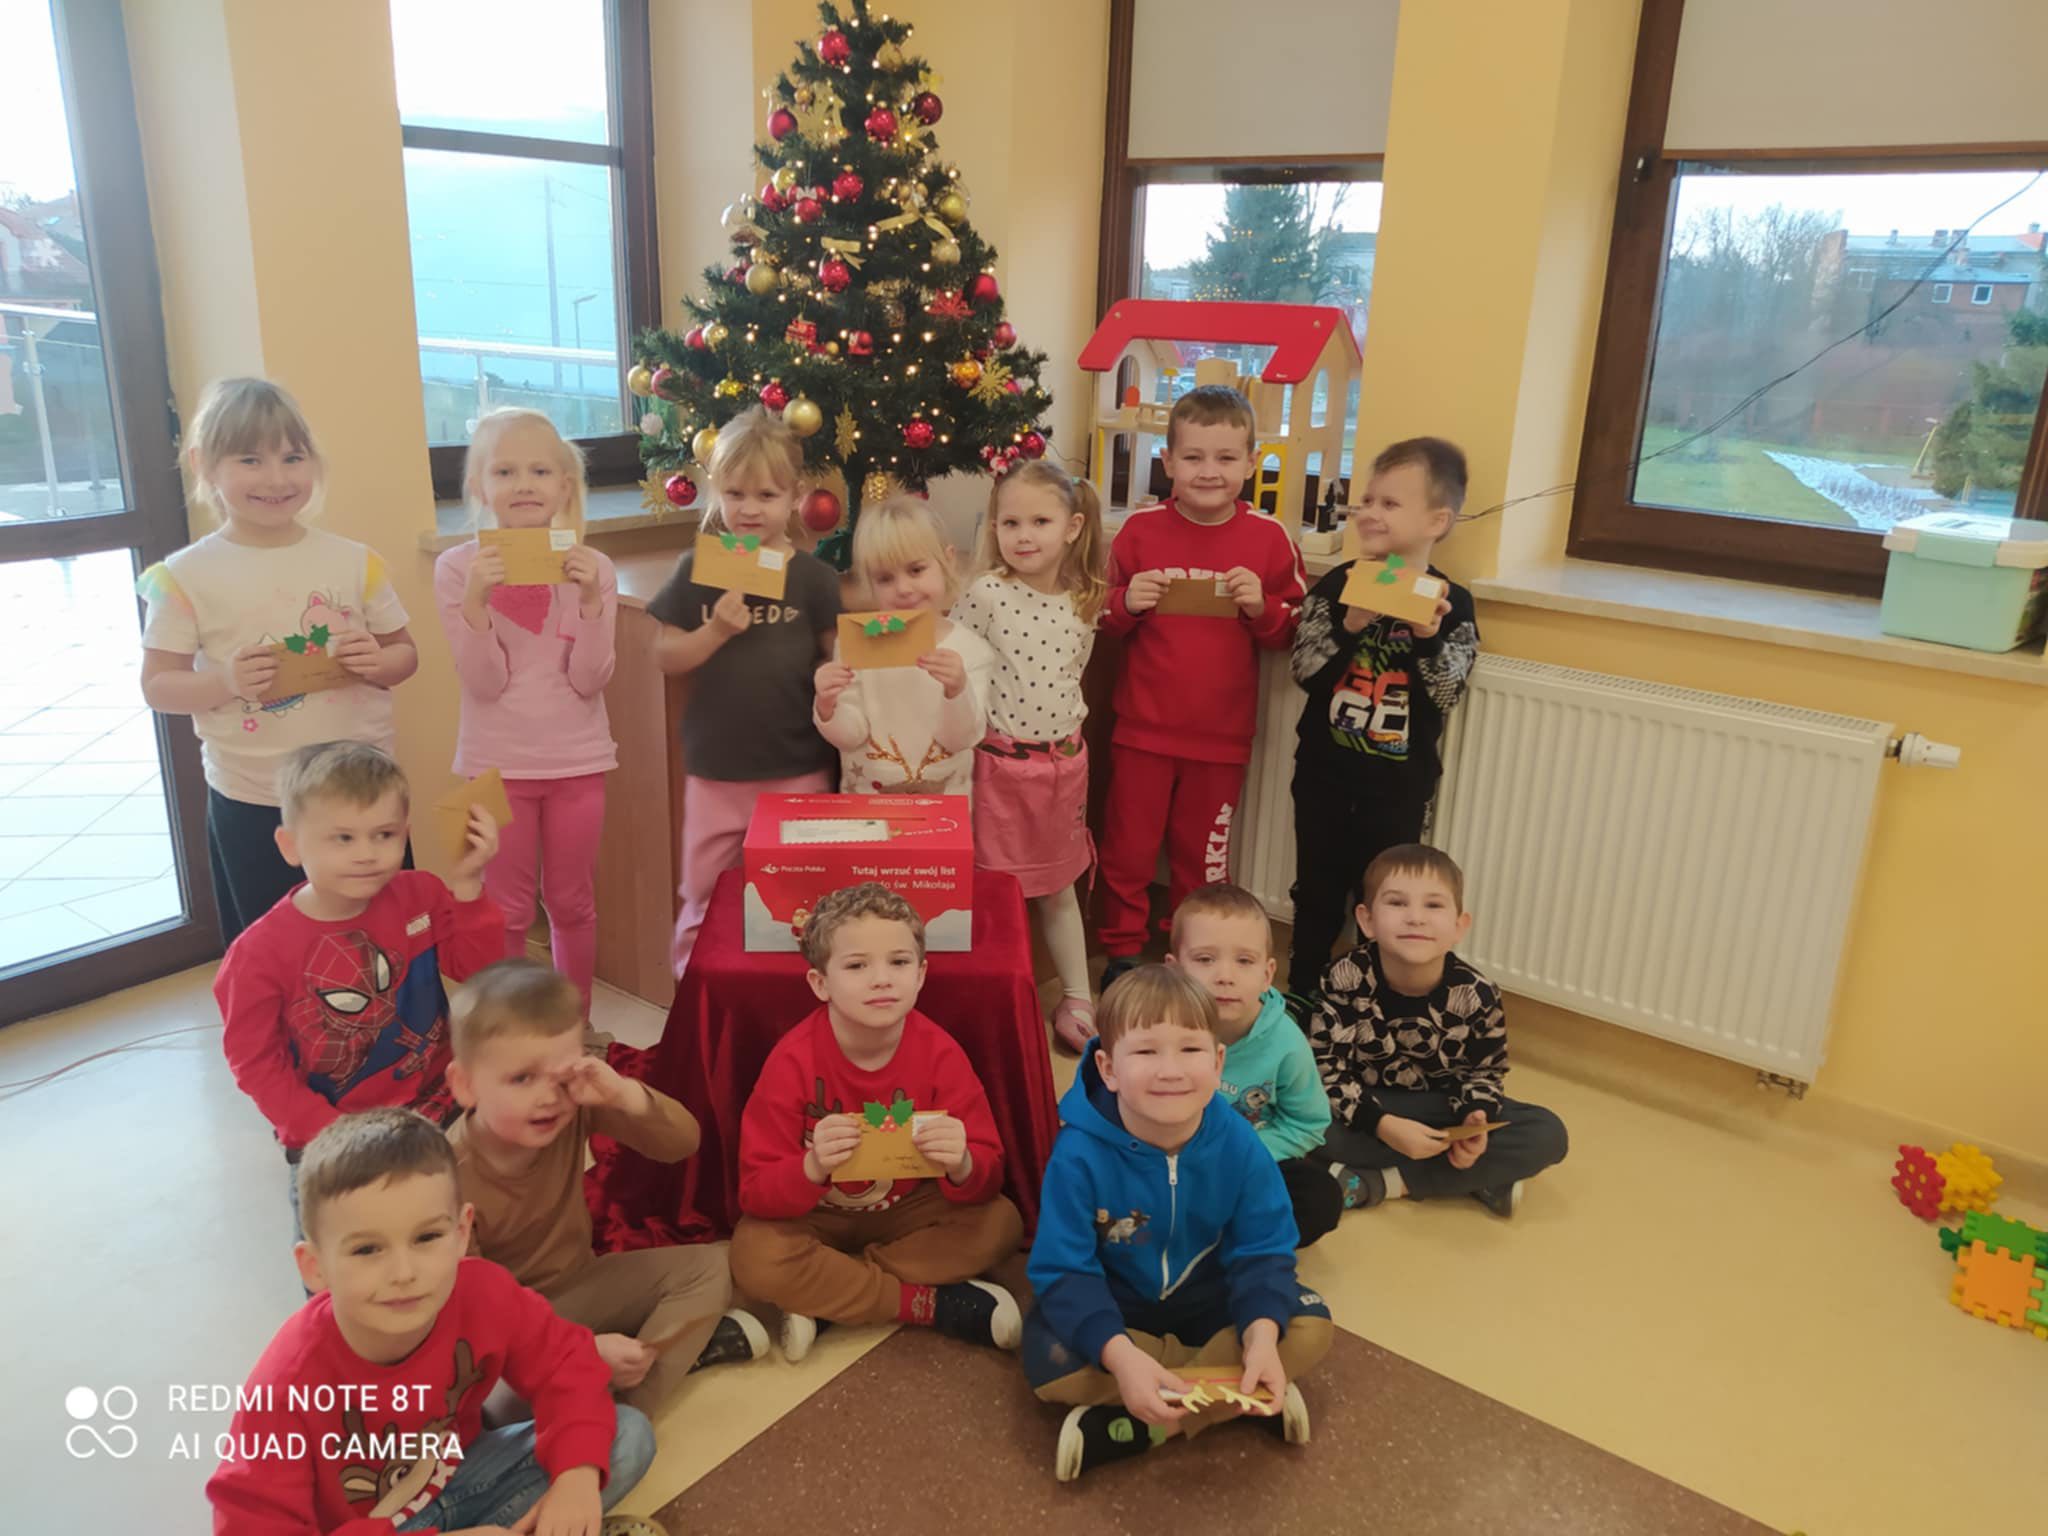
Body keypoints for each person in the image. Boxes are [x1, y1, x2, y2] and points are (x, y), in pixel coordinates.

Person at [205, 1107, 654, 1533]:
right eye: (367, 1249)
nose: (404, 1273)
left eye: (426, 1237)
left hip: (466, 1471)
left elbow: (565, 1363)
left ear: (461, 1233)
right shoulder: (285, 1388)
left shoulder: (483, 1290)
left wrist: (576, 1476)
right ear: (314, 1267)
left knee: (626, 1437)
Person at [1022, 964, 1332, 1482]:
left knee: (1309, 1324)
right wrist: (1121, 1358)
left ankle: (1146, 1425)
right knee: (1049, 1363)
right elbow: (1063, 1270)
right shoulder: (1076, 1155)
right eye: (1146, 1052)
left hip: (1212, 1301)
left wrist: (1259, 1338)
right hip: (1119, 1309)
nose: (1171, 1071)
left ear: (1217, 1061)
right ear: (1107, 1068)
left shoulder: (1239, 1142)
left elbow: (1264, 1250)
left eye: (1190, 1049)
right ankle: (1235, 1396)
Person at [140, 378, 419, 943]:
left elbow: (405, 655)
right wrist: (225, 681)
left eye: (292, 458)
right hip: (256, 798)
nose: (276, 478)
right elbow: (158, 686)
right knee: (277, 952)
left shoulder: (355, 561)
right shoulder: (185, 576)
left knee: (387, 944)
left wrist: (378, 661)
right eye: (250, 460)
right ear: (204, 464)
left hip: (364, 795)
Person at [447, 958, 767, 1414]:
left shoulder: (572, 1108)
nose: (548, 1097)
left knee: (710, 1267)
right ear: (465, 1085)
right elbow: (474, 1317)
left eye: (563, 1076)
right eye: (521, 1078)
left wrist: (625, 1095)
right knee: (495, 1399)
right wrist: (579, 1350)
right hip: (506, 1328)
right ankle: (620, 1387)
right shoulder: (444, 1177)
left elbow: (683, 1143)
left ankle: (627, 1410)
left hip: (580, 1284)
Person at [728, 882, 1024, 1363]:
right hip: (818, 1216)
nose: (882, 980)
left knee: (1001, 1224)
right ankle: (925, 1304)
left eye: (899, 962)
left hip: (908, 1210)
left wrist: (964, 1164)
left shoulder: (941, 1053)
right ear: (820, 984)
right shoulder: (791, 1061)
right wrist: (810, 1167)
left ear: (921, 974)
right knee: (753, 1254)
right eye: (857, 966)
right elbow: (756, 1191)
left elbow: (988, 1175)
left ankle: (832, 1299)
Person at [211, 741, 501, 1222]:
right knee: (346, 1246)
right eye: (342, 838)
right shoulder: (257, 954)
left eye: (384, 834)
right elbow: (257, 1065)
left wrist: (469, 884)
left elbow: (481, 976)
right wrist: (331, 1132)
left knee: (450, 1224)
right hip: (332, 1133)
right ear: (290, 845)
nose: (367, 854)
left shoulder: (422, 894)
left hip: (441, 1104)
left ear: (405, 834)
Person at [1095, 385, 1306, 986]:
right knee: (1127, 852)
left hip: (1221, 741)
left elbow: (1293, 630)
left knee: (1203, 861)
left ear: (1251, 462)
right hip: (1141, 732)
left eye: (1225, 458)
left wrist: (1261, 608)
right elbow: (1098, 615)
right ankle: (1122, 954)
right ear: (1167, 462)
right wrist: (1124, 603)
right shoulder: (1138, 531)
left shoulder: (1269, 538)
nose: (1208, 471)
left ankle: (1199, 957)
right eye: (1192, 457)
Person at [434, 407, 617, 1014]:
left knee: (572, 902)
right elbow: (484, 683)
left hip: (577, 763)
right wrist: (476, 604)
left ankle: (575, 1021)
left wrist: (589, 601)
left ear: (564, 485)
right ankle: (510, 1026)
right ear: (478, 486)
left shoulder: (594, 568)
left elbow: (591, 678)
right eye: (505, 471)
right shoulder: (456, 569)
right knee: (506, 909)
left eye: (540, 471)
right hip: (496, 764)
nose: (524, 485)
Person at [646, 406, 841, 975]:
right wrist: (714, 632)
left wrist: (837, 673)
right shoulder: (698, 569)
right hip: (717, 771)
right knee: (702, 893)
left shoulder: (813, 579)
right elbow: (665, 656)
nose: (750, 508)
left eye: (766, 495)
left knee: (800, 898)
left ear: (795, 496)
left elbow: (837, 656)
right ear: (715, 492)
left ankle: (794, 995)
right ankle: (696, 994)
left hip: (798, 768)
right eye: (735, 494)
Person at [1288, 437, 1479, 997]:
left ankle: (1369, 1004)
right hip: (1324, 776)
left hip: (1398, 788)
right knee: (1317, 891)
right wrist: (1349, 626)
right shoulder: (1338, 584)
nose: (1369, 512)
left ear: (1436, 521)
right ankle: (1301, 996)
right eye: (1366, 500)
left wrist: (1427, 636)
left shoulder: (1454, 604)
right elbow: (1304, 670)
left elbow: (1445, 692)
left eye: (1390, 503)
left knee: (1389, 904)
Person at [1306, 844, 1569, 1218]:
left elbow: (1485, 1075)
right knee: (1299, 1115)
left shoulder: (1478, 994)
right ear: (1367, 920)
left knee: (1546, 1133)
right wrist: (1383, 1126)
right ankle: (1474, 1178)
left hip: (1441, 1110)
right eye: (1397, 903)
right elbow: (1327, 1072)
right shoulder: (1343, 977)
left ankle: (1382, 1183)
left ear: (1459, 925)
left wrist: (1476, 1120)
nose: (1415, 918)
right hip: (1365, 1108)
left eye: (1433, 905)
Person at [950, 461, 1109, 1052]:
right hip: (1000, 769)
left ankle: (1077, 997)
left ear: (1071, 528)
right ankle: (999, 997)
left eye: (1040, 522)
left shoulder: (1085, 598)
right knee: (996, 892)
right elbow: (960, 665)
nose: (1023, 535)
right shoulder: (986, 593)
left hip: (1064, 768)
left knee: (1060, 887)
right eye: (1010, 522)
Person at [1166, 883, 1339, 1246]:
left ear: (1267, 974)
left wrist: (1244, 1155)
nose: (1225, 976)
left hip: (1247, 1161)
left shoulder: (1287, 1043)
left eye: (1244, 961)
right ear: (1174, 970)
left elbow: (1308, 1124)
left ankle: (1226, 1242)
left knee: (1318, 1198)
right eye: (1205, 959)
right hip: (1167, 1159)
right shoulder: (1156, 1028)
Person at [813, 496, 992, 796]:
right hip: (868, 804)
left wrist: (957, 690)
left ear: (947, 560)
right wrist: (826, 705)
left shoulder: (971, 649)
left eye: (916, 570)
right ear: (870, 584)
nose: (904, 589)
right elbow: (850, 735)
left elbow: (962, 739)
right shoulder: (856, 645)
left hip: (944, 806)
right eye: (885, 578)